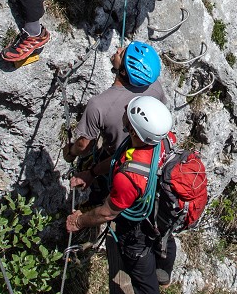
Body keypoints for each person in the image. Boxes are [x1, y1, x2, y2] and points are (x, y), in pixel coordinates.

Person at [65, 95, 177, 294]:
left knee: (140, 269)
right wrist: (93, 172)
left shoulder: (128, 178)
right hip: (163, 211)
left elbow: (107, 213)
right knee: (165, 237)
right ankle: (165, 274)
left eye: (130, 112)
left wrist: (79, 221)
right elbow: (119, 158)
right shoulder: (162, 140)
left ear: (136, 130)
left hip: (139, 225)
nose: (125, 108)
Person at [66, 41, 167, 203]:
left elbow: (84, 145)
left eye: (121, 54)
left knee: (103, 191)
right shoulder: (154, 86)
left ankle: (94, 202)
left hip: (117, 164)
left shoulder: (99, 105)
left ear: (124, 72)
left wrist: (70, 153)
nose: (118, 49)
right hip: (146, 156)